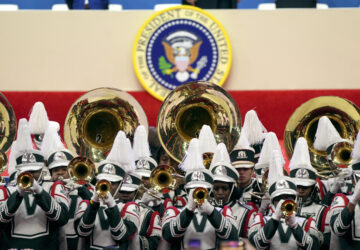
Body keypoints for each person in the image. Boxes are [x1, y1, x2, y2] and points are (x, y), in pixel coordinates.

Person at [0, 119, 69, 249]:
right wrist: (18, 194)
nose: (30, 175)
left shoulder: (54, 186)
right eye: (26, 171)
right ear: (19, 170)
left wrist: (40, 191)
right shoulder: (6, 190)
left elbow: (62, 218)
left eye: (34, 171)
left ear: (41, 169)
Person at [162, 139, 239, 249]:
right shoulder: (174, 211)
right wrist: (188, 209)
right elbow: (167, 236)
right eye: (192, 190)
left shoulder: (223, 211)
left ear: (209, 191)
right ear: (187, 191)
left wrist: (210, 210)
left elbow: (233, 237)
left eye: (202, 189)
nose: (196, 193)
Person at [74, 131, 140, 249]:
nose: (108, 186)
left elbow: (121, 235)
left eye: (112, 183)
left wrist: (111, 205)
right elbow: (82, 231)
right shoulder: (86, 203)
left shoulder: (131, 208)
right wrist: (93, 203)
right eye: (103, 181)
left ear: (120, 184)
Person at [249, 150, 321, 249]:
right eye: (279, 199)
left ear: (294, 199)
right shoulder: (261, 219)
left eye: (288, 197)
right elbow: (255, 245)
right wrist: (274, 219)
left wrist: (295, 226)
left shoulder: (307, 222)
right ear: (273, 201)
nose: (283, 202)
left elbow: (315, 247)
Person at [210, 143, 256, 239]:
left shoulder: (247, 213)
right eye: (216, 188)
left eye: (224, 188)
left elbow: (253, 244)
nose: (220, 192)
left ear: (232, 188)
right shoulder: (203, 208)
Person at [117, 171, 162, 250]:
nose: (125, 194)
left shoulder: (149, 213)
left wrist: (133, 240)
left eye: (129, 191)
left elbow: (154, 243)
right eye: (122, 191)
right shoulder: (108, 207)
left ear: (136, 192)